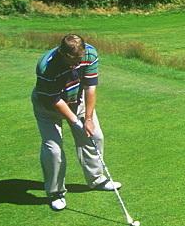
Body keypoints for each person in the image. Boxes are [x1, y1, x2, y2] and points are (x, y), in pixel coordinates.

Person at [32, 34, 120, 211]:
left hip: (76, 100)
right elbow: (55, 99)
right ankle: (55, 192)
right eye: (71, 60)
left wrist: (87, 119)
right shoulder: (46, 66)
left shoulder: (90, 54)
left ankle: (97, 180)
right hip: (48, 107)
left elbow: (90, 87)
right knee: (53, 150)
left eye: (79, 59)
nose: (75, 65)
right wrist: (75, 122)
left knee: (95, 136)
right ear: (61, 51)